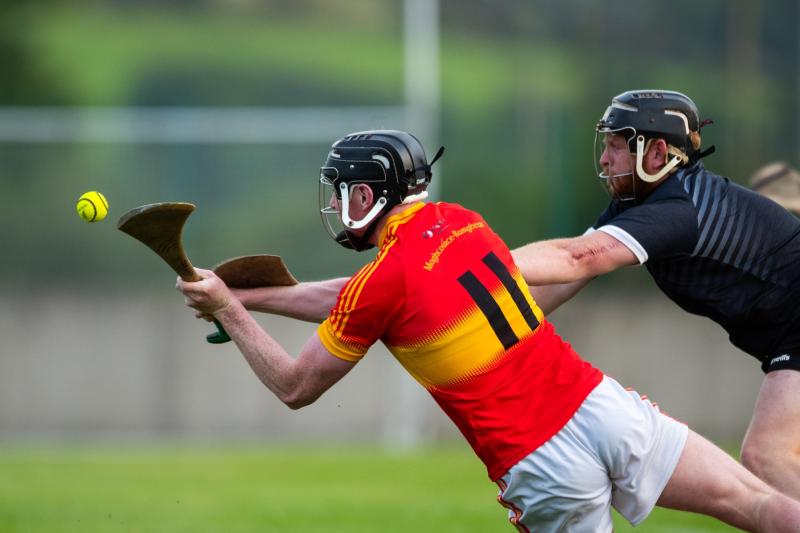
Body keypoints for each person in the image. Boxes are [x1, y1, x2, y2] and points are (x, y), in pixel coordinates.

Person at [176, 129, 800, 532]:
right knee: (758, 503)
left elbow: (295, 386)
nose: (337, 204)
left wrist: (231, 312)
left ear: (367, 194)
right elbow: (355, 299)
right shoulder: (461, 223)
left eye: (342, 193)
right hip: (601, 406)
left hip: (539, 462)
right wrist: (246, 296)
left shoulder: (383, 283)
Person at [512, 89, 800, 501]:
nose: (604, 158)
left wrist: (468, 261)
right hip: (787, 336)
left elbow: (575, 258)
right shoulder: (640, 205)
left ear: (657, 153)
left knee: (767, 455)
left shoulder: (676, 211)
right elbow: (557, 283)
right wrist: (478, 319)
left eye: (615, 146)